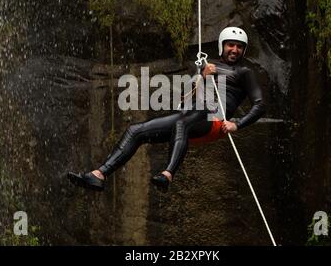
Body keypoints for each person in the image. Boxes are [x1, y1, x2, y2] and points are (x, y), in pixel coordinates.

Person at [67, 26, 266, 192]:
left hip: (214, 120)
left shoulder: (244, 72)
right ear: (222, 45)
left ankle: (167, 175)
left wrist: (237, 124)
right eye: (231, 45)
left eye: (240, 47)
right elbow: (186, 96)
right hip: (191, 114)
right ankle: (98, 175)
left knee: (182, 123)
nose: (235, 49)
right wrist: (203, 75)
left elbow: (260, 105)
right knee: (136, 130)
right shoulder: (208, 66)